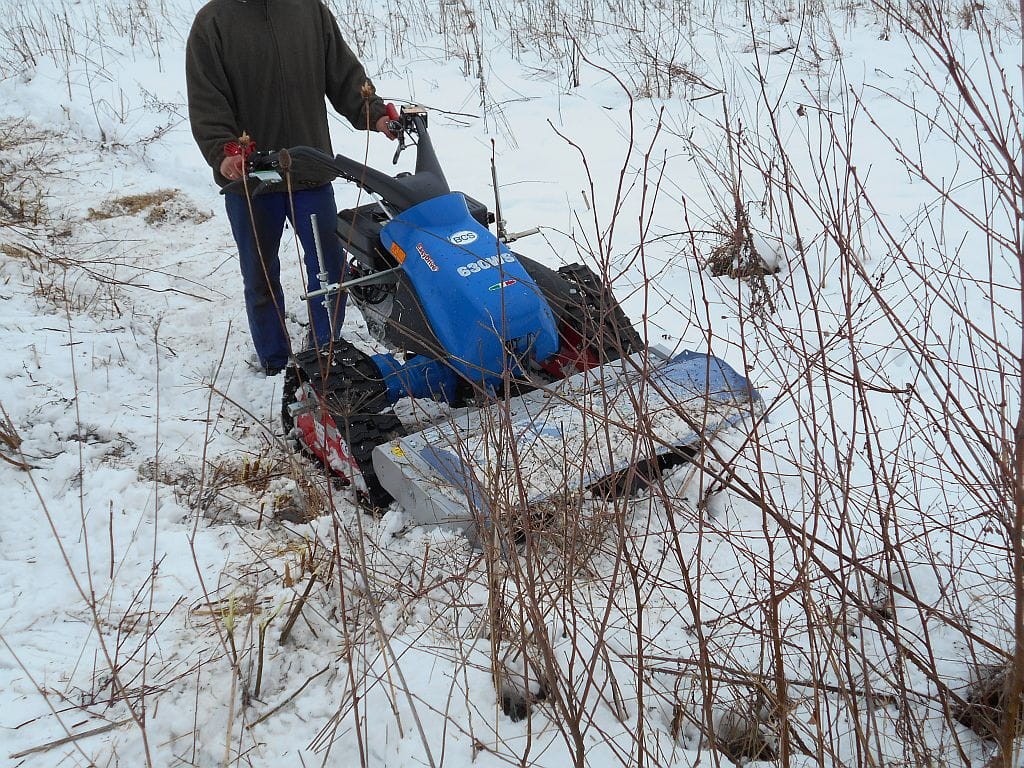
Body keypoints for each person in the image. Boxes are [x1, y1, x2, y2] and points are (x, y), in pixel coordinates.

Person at [185, 0, 395, 376]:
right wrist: (223, 153)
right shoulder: (213, 22)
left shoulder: (308, 10)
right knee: (260, 275)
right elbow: (207, 102)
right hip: (251, 178)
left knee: (330, 271)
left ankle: (323, 354)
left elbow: (345, 77)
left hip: (308, 171)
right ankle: (275, 362)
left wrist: (376, 114)